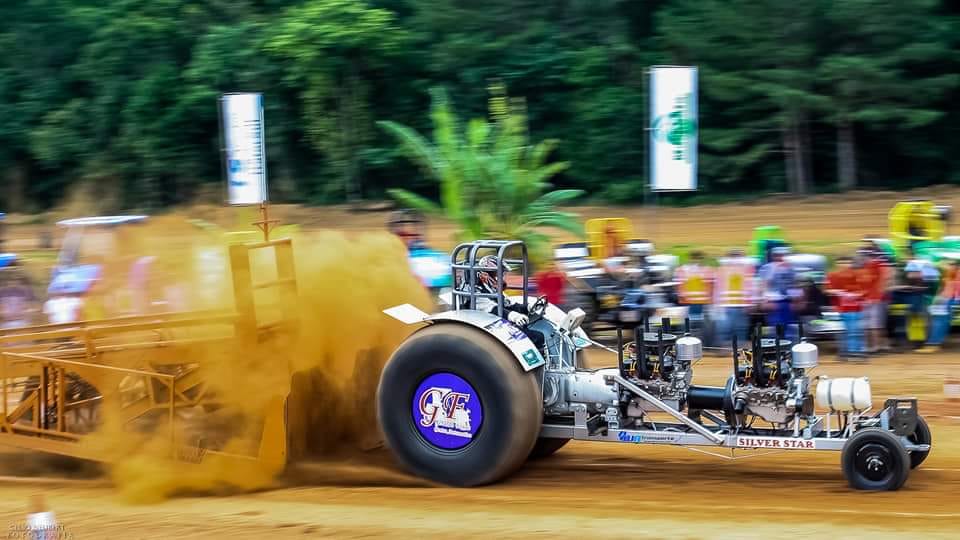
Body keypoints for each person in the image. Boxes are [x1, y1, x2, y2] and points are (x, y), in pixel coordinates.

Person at [457, 255, 545, 349]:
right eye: (496, 274)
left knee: (534, 331)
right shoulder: (475, 291)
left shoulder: (492, 288)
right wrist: (514, 316)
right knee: (536, 337)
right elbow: (492, 308)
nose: (499, 277)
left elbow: (508, 304)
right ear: (486, 274)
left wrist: (528, 307)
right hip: (485, 328)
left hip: (497, 324)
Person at [827, 256, 866, 359]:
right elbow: (828, 290)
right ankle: (844, 351)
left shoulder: (857, 274)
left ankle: (856, 351)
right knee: (842, 331)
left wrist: (855, 295)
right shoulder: (833, 275)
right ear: (837, 264)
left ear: (851, 263)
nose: (844, 265)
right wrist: (839, 292)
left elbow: (864, 289)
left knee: (855, 330)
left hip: (856, 307)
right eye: (842, 263)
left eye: (847, 262)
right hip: (840, 307)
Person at [713, 248, 755, 345]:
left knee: (727, 332)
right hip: (735, 307)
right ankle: (737, 351)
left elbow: (717, 289)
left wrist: (716, 306)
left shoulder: (722, 269)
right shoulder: (746, 269)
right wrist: (750, 304)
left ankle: (726, 350)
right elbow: (750, 288)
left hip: (729, 307)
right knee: (738, 332)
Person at [919, 259, 960, 353]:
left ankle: (933, 344)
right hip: (945, 300)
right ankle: (934, 343)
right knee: (940, 321)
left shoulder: (953, 275)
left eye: (951, 265)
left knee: (939, 321)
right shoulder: (948, 276)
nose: (949, 267)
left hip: (948, 300)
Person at [759, 246, 798, 340]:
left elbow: (793, 284)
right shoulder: (768, 268)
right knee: (776, 328)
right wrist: (765, 299)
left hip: (787, 302)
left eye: (783, 255)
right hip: (774, 303)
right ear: (774, 256)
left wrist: (795, 300)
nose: (781, 258)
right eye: (778, 255)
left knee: (788, 328)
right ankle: (777, 345)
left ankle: (788, 345)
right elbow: (764, 284)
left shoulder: (790, 268)